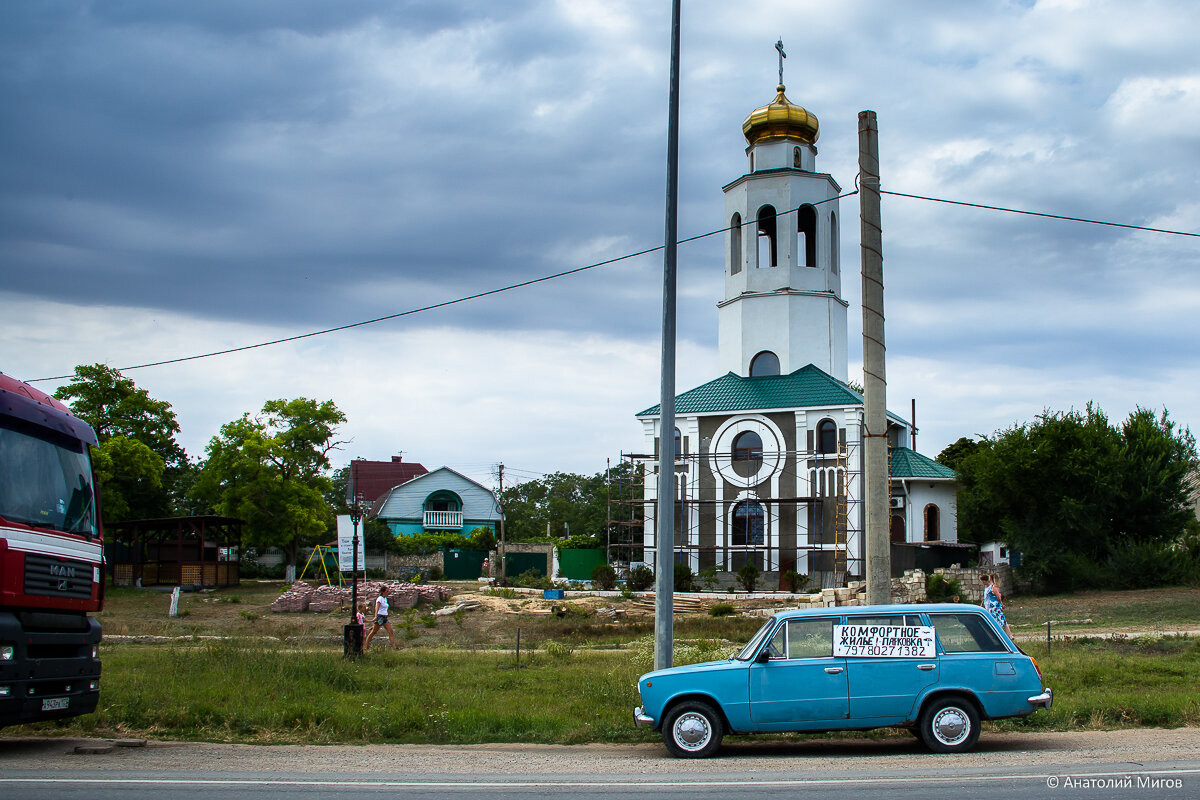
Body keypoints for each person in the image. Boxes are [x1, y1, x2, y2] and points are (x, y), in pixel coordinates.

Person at [363, 586, 397, 650]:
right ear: (383, 592)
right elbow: (377, 608)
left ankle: (394, 647)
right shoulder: (380, 599)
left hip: (385, 617)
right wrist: (375, 616)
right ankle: (366, 646)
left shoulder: (385, 599)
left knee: (390, 631)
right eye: (387, 591)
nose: (388, 593)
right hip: (380, 617)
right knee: (374, 631)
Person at [980, 573, 1012, 638]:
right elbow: (985, 597)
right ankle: (1006, 634)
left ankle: (1005, 635)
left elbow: (998, 597)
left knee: (998, 619)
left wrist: (1001, 604)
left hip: (994, 606)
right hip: (991, 606)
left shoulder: (993, 587)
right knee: (998, 619)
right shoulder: (988, 587)